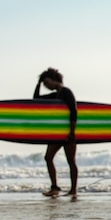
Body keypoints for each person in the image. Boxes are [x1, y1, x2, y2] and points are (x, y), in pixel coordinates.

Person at [33, 67, 78, 196]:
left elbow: (74, 112)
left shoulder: (66, 92)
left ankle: (73, 190)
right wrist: (38, 84)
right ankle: (55, 188)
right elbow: (36, 99)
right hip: (57, 134)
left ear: (54, 80)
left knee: (71, 161)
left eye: (47, 83)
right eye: (44, 84)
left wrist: (72, 132)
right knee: (48, 157)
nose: (46, 86)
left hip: (68, 133)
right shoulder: (55, 95)